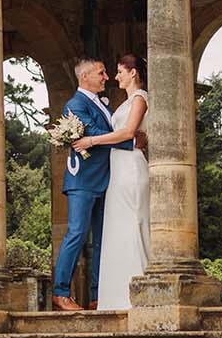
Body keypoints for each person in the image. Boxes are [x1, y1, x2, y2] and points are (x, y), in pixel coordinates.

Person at [52, 57, 135, 311]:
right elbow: (93, 133)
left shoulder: (100, 103)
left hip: (106, 179)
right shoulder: (75, 104)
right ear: (85, 77)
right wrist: (129, 141)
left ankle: (98, 295)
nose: (106, 77)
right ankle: (61, 292)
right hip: (83, 180)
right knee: (76, 233)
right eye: (101, 73)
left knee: (102, 238)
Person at [76, 54, 150, 311]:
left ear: (133, 73)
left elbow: (129, 133)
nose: (115, 77)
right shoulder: (123, 103)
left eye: (119, 71)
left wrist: (91, 141)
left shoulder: (140, 98)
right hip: (117, 168)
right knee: (117, 229)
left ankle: (140, 293)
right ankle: (116, 296)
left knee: (132, 222)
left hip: (130, 166)